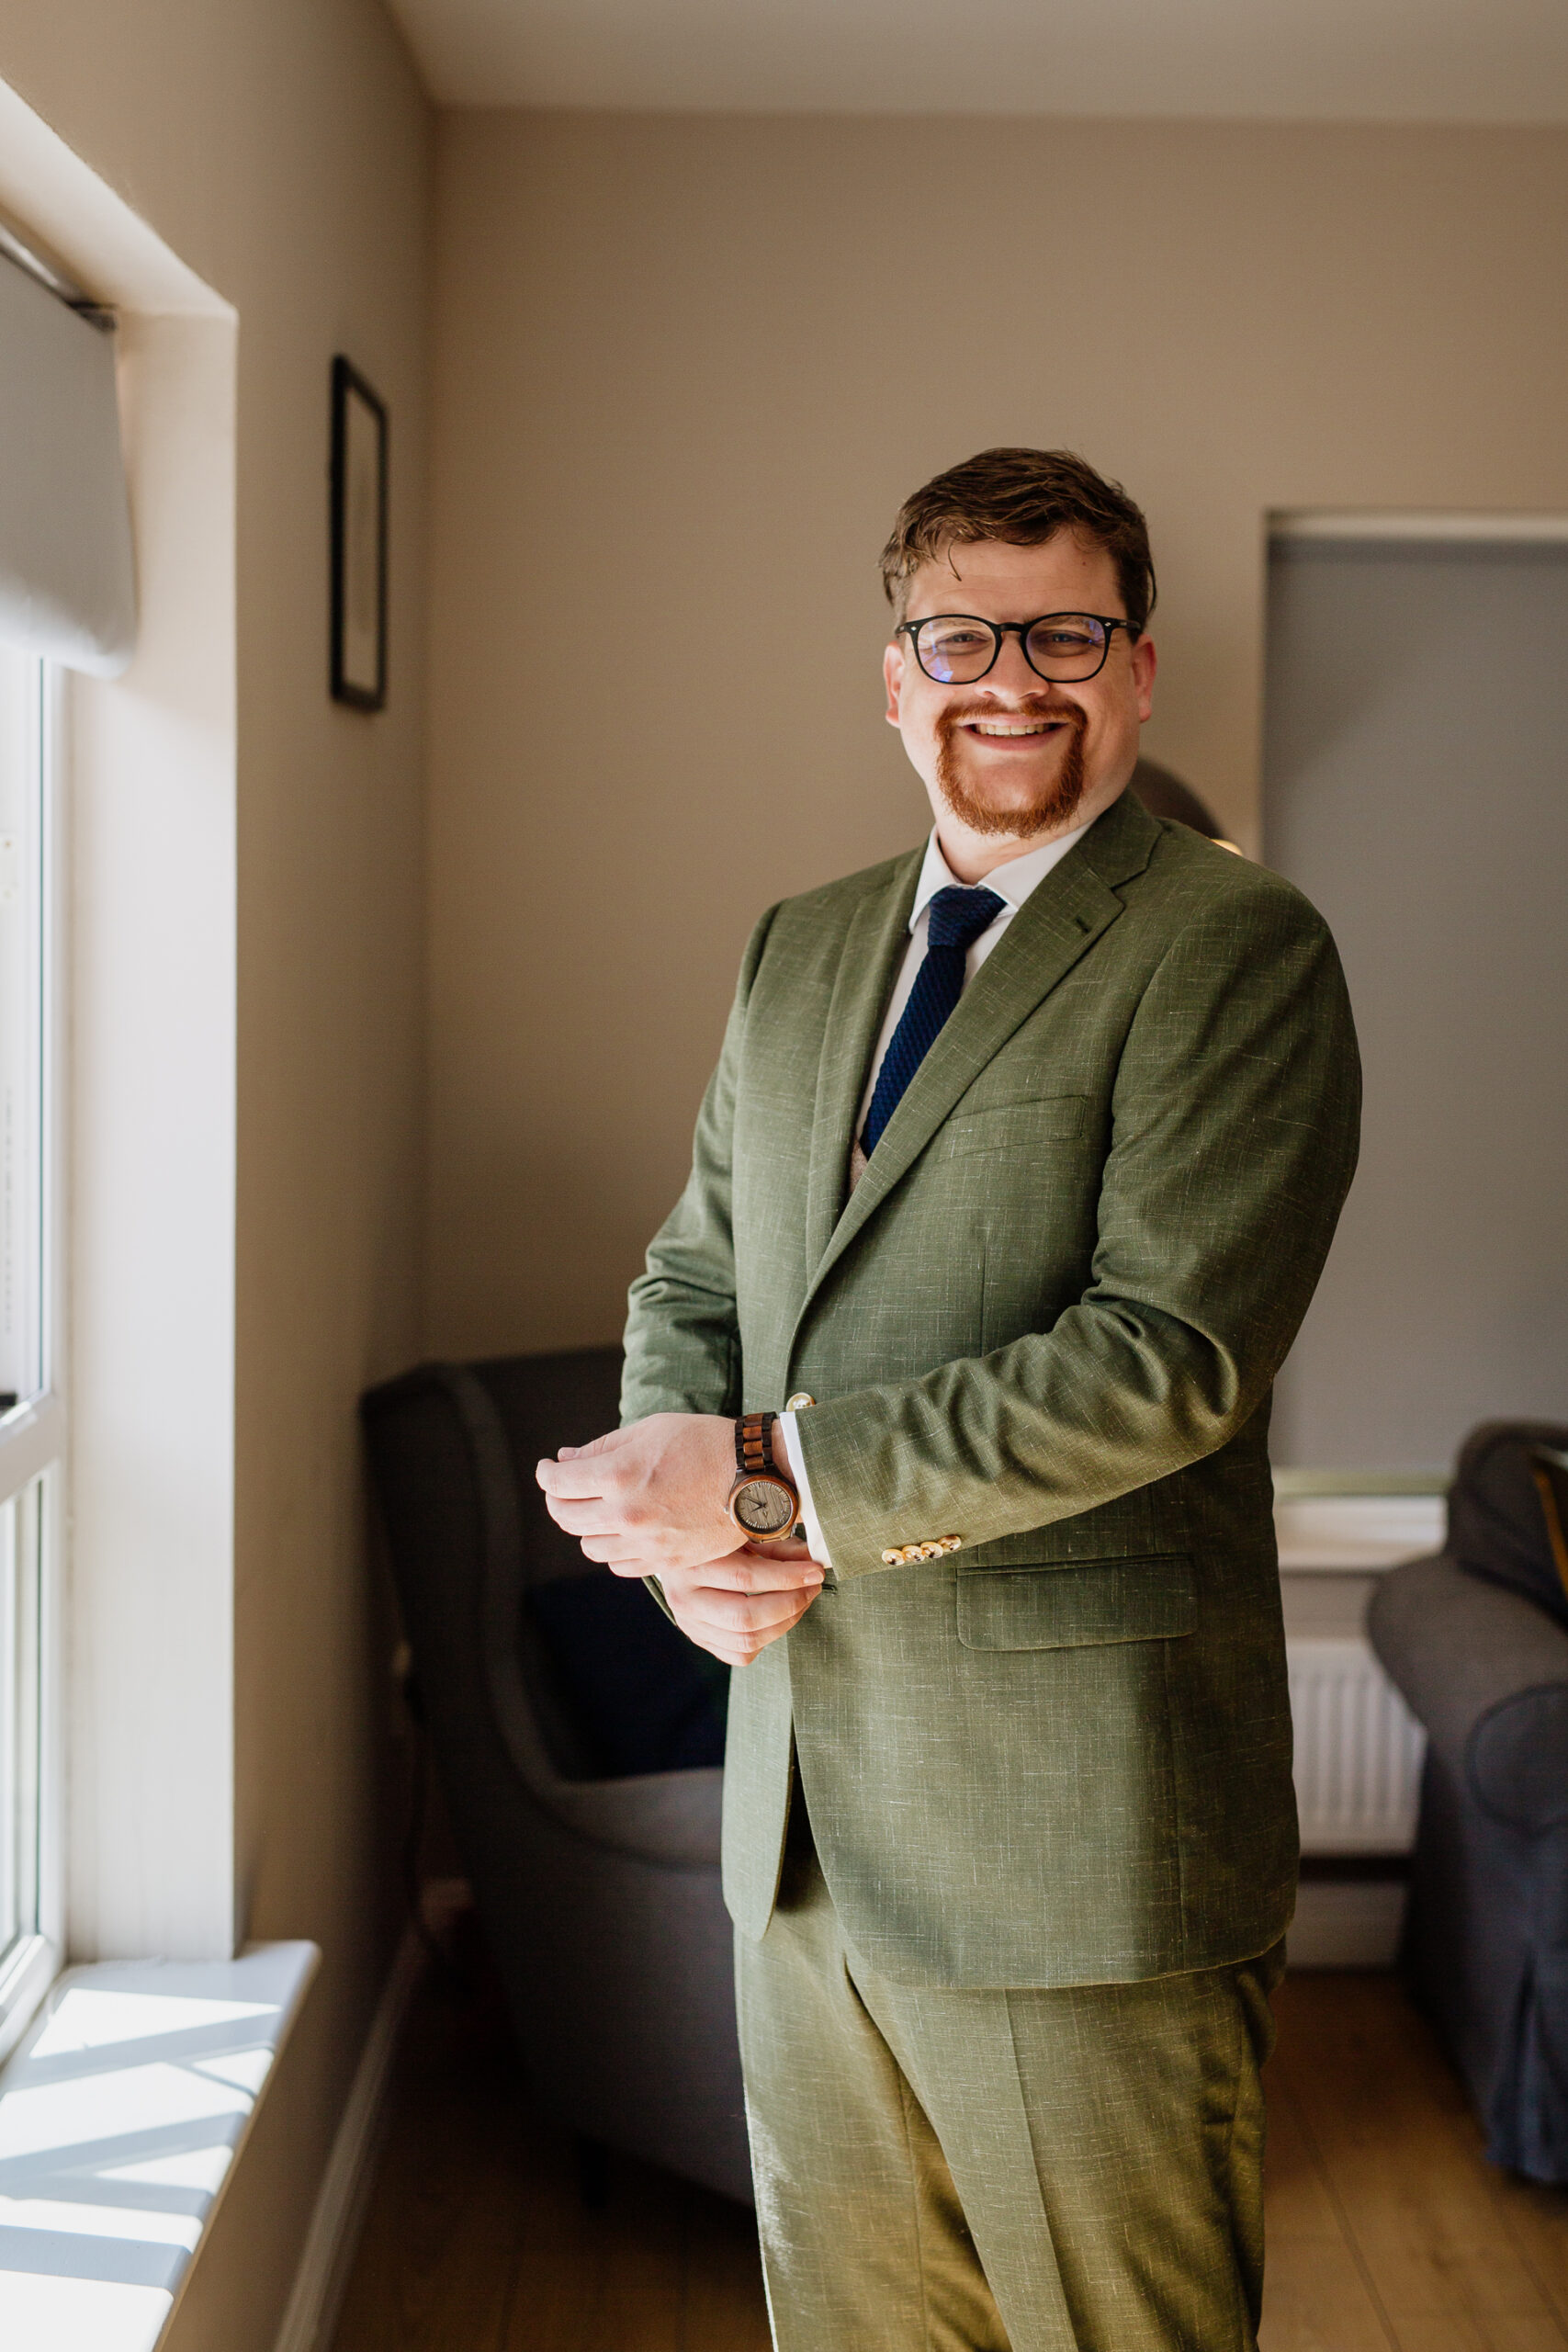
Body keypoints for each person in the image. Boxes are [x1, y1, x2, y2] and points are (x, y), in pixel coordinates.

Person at [536, 447, 1360, 2352]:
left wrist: (753, 1481)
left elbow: (1167, 1359)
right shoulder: (799, 942)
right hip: (805, 1830)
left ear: (1136, 667)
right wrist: (692, 1555)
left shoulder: (1230, 944)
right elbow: (694, 1272)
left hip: (1074, 1841)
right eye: (960, 635)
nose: (1012, 678)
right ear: (892, 673)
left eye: (1063, 632)